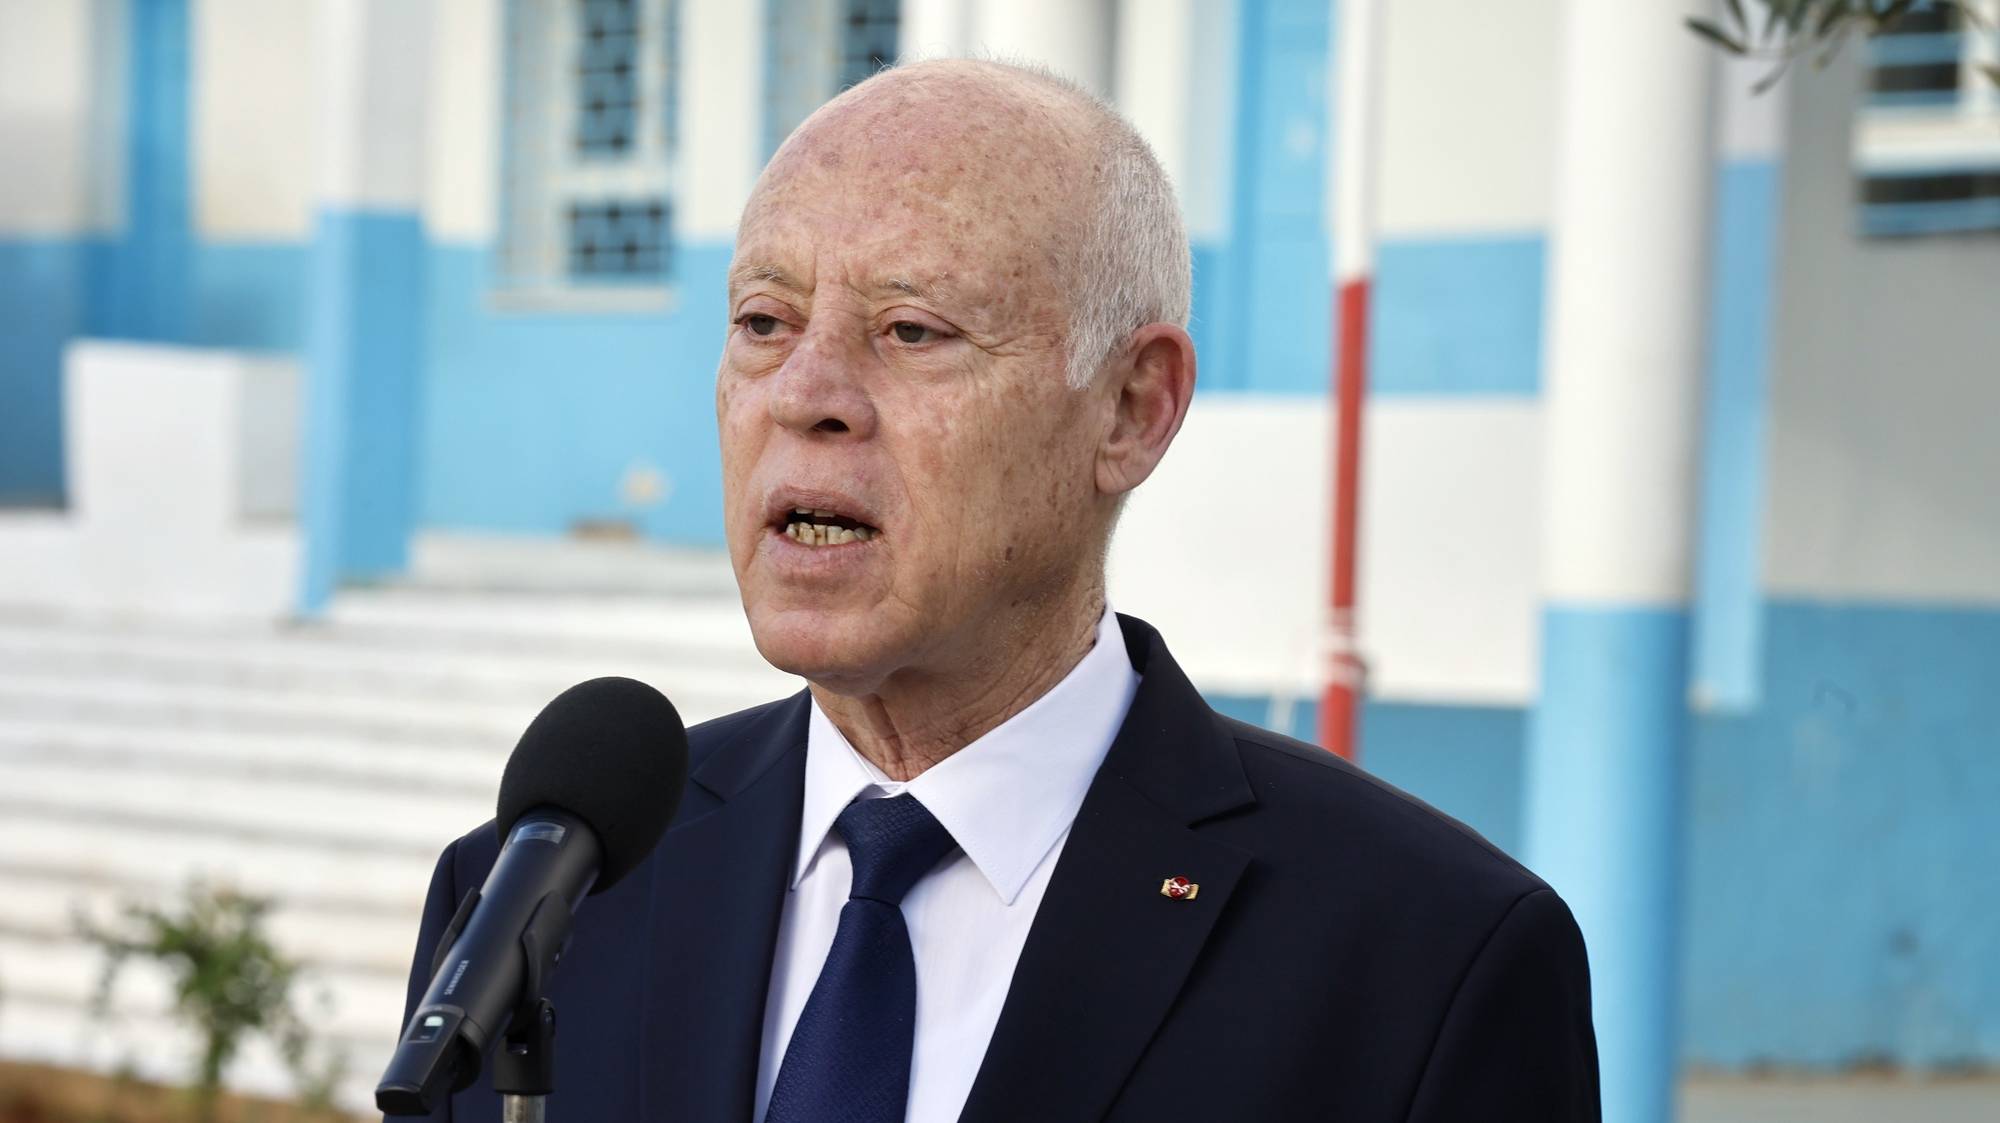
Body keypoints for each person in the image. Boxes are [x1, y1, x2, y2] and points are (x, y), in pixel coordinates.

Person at [398, 59, 1599, 1122]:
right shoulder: (543, 900)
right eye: (763, 320)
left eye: (912, 331)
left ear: (1132, 409)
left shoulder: (1423, 961)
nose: (804, 391)